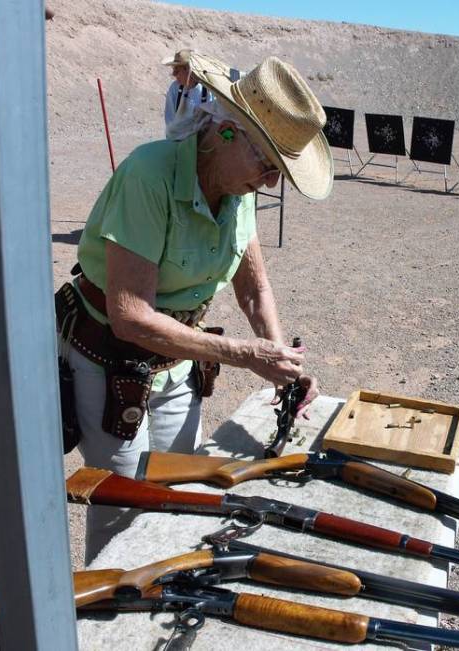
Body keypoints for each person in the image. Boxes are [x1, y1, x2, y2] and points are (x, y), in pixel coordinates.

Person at [62, 52, 332, 561]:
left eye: (279, 170)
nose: (271, 182)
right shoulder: (151, 175)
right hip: (108, 360)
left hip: (177, 364)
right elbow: (130, 315)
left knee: (175, 497)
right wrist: (243, 354)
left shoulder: (239, 189)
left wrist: (281, 364)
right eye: (266, 164)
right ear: (226, 131)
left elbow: (253, 290)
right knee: (123, 511)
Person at [161, 48, 214, 139]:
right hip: (176, 139)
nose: (174, 74)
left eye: (177, 71)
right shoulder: (175, 88)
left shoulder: (208, 92)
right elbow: (170, 120)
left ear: (189, 70)